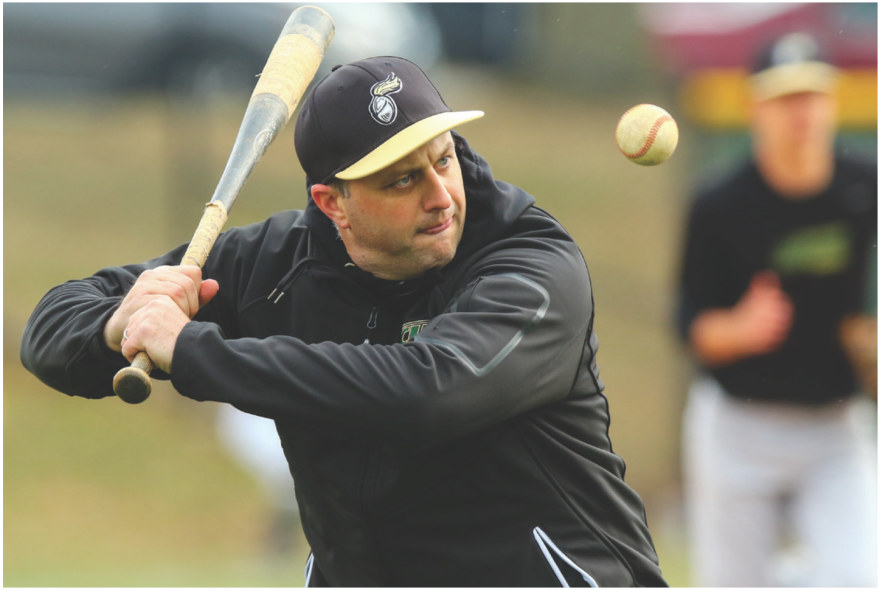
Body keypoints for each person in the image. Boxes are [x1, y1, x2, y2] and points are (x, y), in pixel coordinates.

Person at [22, 56, 668, 588]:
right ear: (333, 204)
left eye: (444, 160)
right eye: (401, 181)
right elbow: (51, 330)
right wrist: (120, 324)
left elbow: (428, 391)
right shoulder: (270, 264)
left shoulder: (530, 265)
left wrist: (192, 349)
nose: (440, 196)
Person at [677, 33, 878, 588]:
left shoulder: (862, 187)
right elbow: (691, 326)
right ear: (754, 109)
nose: (801, 113)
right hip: (739, 428)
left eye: (812, 95)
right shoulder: (720, 204)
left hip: (834, 425)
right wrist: (737, 329)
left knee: (857, 577)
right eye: (784, 97)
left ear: (834, 102)